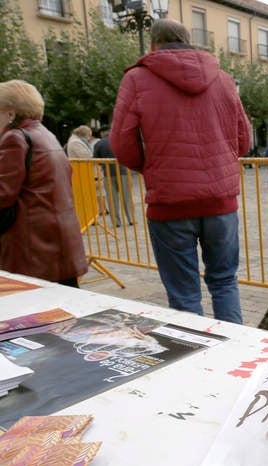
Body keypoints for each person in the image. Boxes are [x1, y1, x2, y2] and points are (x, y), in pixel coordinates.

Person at [111, 18, 251, 324]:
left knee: (184, 295)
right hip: (220, 201)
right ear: (190, 41)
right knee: (225, 282)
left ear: (153, 44)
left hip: (170, 203)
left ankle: (197, 360)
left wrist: (151, 167)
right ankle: (239, 350)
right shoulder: (224, 79)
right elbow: (244, 141)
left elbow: (122, 143)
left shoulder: (137, 79)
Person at [0, 80, 88, 287]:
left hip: (32, 246)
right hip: (57, 242)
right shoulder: (46, 135)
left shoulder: (15, 138)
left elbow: (2, 194)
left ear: (11, 114)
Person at [93, 125, 134, 227]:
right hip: (123, 171)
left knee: (112, 199)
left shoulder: (99, 143)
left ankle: (116, 222)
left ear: (102, 133)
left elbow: (95, 160)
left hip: (108, 174)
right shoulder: (120, 140)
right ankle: (131, 219)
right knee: (126, 197)